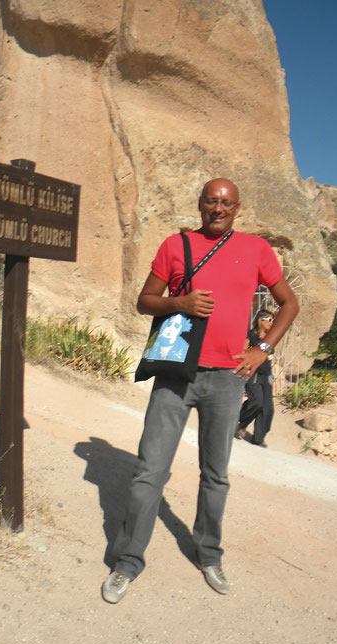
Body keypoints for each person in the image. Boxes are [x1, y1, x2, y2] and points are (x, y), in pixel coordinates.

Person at [101, 178, 299, 604]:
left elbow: (289, 302)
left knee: (215, 475)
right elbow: (145, 300)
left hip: (228, 378)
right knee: (148, 471)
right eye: (211, 200)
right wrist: (180, 303)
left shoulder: (256, 250)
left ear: (237, 208)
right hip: (176, 374)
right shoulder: (176, 246)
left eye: (226, 202)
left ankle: (209, 553)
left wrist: (261, 350)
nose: (218, 208)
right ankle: (127, 561)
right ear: (201, 204)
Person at [235, 309, 275, 447]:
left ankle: (258, 437)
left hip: (266, 375)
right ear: (261, 320)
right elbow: (244, 351)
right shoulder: (251, 335)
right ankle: (239, 423)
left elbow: (271, 355)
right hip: (254, 374)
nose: (272, 323)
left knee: (268, 408)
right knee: (257, 402)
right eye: (269, 320)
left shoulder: (270, 338)